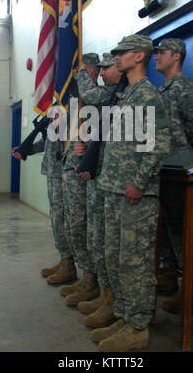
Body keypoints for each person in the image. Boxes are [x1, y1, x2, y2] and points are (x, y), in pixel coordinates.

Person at [90, 34, 171, 352]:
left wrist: (138, 182)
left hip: (135, 194)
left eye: (122, 53)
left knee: (134, 262)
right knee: (115, 259)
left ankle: (138, 325)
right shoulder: (125, 96)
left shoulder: (148, 96)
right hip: (113, 189)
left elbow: (157, 147)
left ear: (139, 56)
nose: (116, 57)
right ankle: (124, 316)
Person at [153, 38, 193, 311]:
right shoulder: (161, 89)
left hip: (180, 171)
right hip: (163, 169)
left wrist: (183, 155)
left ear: (176, 56)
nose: (156, 57)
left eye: (161, 53)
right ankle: (168, 279)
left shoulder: (184, 87)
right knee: (163, 227)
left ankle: (189, 290)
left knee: (180, 230)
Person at [74, 53, 125, 329]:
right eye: (102, 68)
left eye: (108, 67)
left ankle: (117, 303)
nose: (105, 72)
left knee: (111, 244)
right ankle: (106, 295)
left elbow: (92, 96)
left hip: (117, 181)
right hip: (100, 176)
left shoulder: (118, 94)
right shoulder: (110, 95)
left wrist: (82, 72)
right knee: (96, 238)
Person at [60, 53, 103, 306]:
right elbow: (69, 140)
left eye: (88, 70)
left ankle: (92, 278)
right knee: (74, 226)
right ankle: (83, 272)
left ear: (96, 71)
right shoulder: (75, 102)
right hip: (75, 172)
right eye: (81, 71)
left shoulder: (99, 99)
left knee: (89, 229)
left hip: (93, 173)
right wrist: (68, 170)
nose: (83, 75)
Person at [12, 135, 77, 285]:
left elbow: (72, 144)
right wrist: (26, 150)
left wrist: (69, 175)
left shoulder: (70, 114)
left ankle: (69, 265)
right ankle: (65, 259)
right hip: (52, 171)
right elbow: (47, 142)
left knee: (62, 219)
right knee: (56, 218)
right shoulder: (54, 115)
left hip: (64, 172)